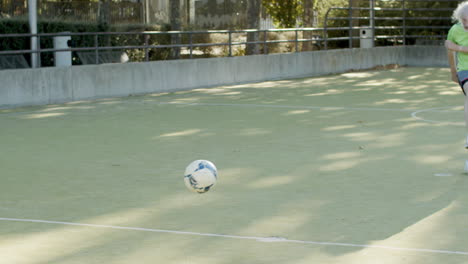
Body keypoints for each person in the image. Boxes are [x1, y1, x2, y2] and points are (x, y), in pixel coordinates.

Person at [446, 1, 468, 155]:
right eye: (463, 20)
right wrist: (453, 70)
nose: (465, 24)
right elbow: (448, 46)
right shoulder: (456, 29)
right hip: (465, 70)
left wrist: (459, 48)